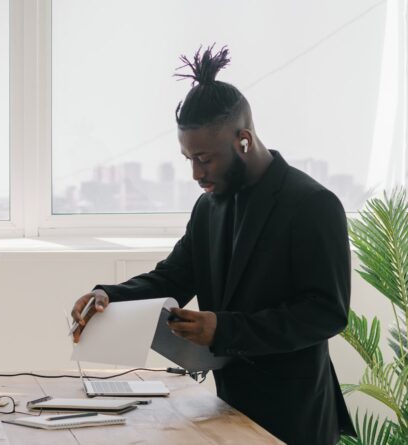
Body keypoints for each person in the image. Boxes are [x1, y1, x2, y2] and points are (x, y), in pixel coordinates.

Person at [70, 46, 356, 445]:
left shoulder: (313, 205)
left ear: (243, 140)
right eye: (188, 158)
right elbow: (174, 276)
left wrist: (225, 328)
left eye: (204, 158)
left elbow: (326, 313)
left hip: (296, 419)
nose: (195, 173)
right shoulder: (209, 207)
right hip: (227, 407)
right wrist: (108, 295)